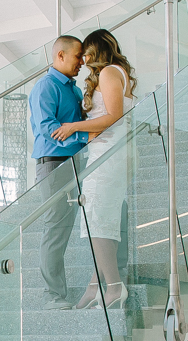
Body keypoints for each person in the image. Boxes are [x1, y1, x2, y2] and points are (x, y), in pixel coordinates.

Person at [51, 29, 137, 308]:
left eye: (86, 52)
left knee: (97, 220)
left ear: (97, 50)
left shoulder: (110, 72)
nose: (84, 59)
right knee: (102, 221)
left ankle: (113, 286)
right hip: (109, 154)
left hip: (108, 157)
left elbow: (113, 117)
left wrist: (74, 126)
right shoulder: (115, 72)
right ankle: (95, 286)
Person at [29, 35, 86, 307]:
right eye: (78, 56)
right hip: (53, 164)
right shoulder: (46, 87)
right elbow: (48, 129)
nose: (82, 63)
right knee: (55, 228)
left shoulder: (73, 89)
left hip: (75, 163)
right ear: (60, 55)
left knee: (63, 229)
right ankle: (51, 295)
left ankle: (58, 293)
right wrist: (85, 139)